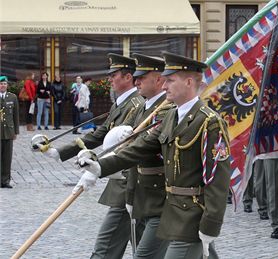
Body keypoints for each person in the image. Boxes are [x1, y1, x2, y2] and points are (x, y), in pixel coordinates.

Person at [75, 51, 231, 259]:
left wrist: (210, 226)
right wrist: (100, 166)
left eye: (170, 80)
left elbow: (217, 180)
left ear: (189, 82)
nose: (164, 86)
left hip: (192, 215)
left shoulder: (209, 122)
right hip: (170, 212)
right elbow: (138, 149)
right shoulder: (170, 117)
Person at [33, 53, 145, 258]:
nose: (110, 79)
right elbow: (99, 136)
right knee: (136, 243)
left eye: (114, 74)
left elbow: (126, 146)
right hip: (121, 183)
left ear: (128, 77)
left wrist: (97, 167)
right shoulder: (120, 104)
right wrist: (59, 152)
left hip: (129, 182)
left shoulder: (136, 105)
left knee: (122, 244)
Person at [125, 53, 172, 258]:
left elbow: (142, 147)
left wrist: (101, 166)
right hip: (143, 192)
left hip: (161, 194)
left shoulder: (166, 109)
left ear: (158, 79)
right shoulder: (143, 107)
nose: (136, 82)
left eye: (142, 78)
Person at [0, 76, 19, 188]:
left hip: (8, 131)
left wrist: (15, 131)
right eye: (1, 84)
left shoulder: (12, 97)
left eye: (4, 84)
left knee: (7, 157)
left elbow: (15, 115)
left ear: (7, 85)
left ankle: (5, 180)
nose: (3, 86)